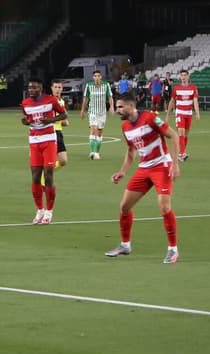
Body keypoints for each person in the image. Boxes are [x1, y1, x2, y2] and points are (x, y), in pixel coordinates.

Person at [105, 93, 181, 264]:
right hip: (144, 168)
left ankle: (173, 249)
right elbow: (131, 150)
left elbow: (174, 135)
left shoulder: (150, 118)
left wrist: (175, 164)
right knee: (125, 206)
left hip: (161, 166)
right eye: (117, 107)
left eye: (120, 107)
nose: (117, 110)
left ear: (131, 106)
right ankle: (125, 245)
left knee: (164, 206)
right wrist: (123, 171)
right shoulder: (125, 127)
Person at [21, 80, 65, 224]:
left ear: (40, 88)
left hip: (49, 140)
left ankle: (49, 211)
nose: (31, 90)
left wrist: (51, 119)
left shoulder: (51, 100)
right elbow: (29, 119)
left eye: (34, 87)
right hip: (34, 141)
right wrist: (26, 122)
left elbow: (64, 115)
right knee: (35, 177)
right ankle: (39, 209)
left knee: (48, 175)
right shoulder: (25, 103)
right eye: (29, 88)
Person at [166, 69, 200, 161]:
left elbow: (195, 101)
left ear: (188, 76)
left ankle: (181, 153)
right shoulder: (176, 88)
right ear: (180, 77)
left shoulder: (193, 88)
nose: (183, 77)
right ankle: (181, 153)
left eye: (185, 75)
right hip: (180, 113)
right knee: (181, 132)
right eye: (182, 75)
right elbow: (172, 101)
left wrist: (197, 113)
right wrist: (168, 115)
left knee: (186, 135)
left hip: (189, 114)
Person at [80, 68, 113, 160]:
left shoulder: (106, 85)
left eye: (98, 76)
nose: (97, 77)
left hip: (102, 113)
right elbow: (86, 98)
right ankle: (92, 152)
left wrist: (112, 107)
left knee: (99, 132)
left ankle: (97, 152)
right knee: (93, 130)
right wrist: (83, 110)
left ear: (101, 77)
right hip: (92, 112)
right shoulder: (89, 85)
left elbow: (110, 97)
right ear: (93, 77)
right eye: (95, 76)